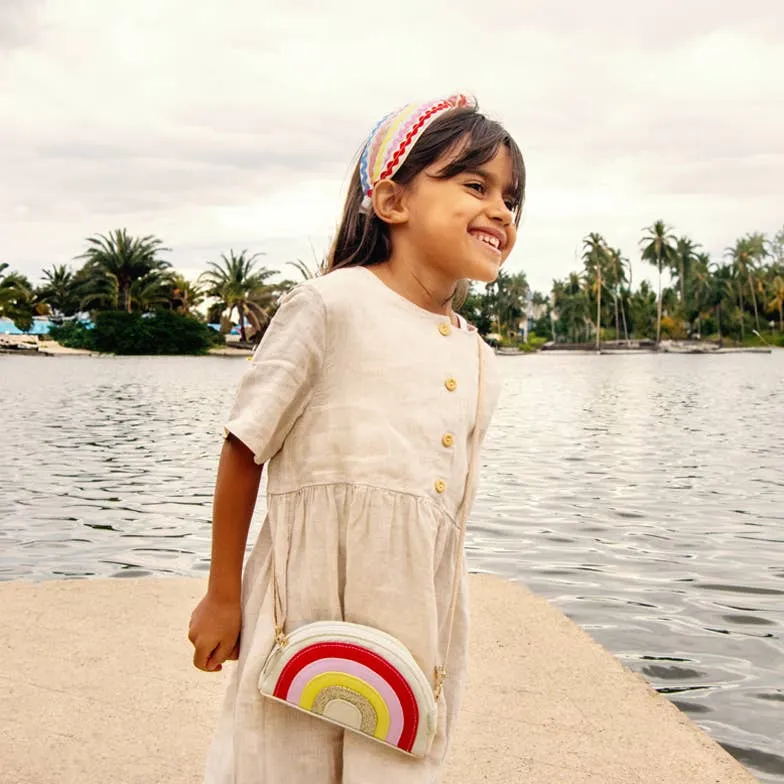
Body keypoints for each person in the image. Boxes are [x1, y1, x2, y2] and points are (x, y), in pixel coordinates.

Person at [189, 93, 526, 784]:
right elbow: (244, 446)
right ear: (394, 201)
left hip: (415, 613)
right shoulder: (329, 305)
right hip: (310, 600)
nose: (501, 210)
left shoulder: (478, 355)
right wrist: (222, 593)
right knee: (283, 755)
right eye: (475, 185)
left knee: (395, 756)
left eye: (511, 198)